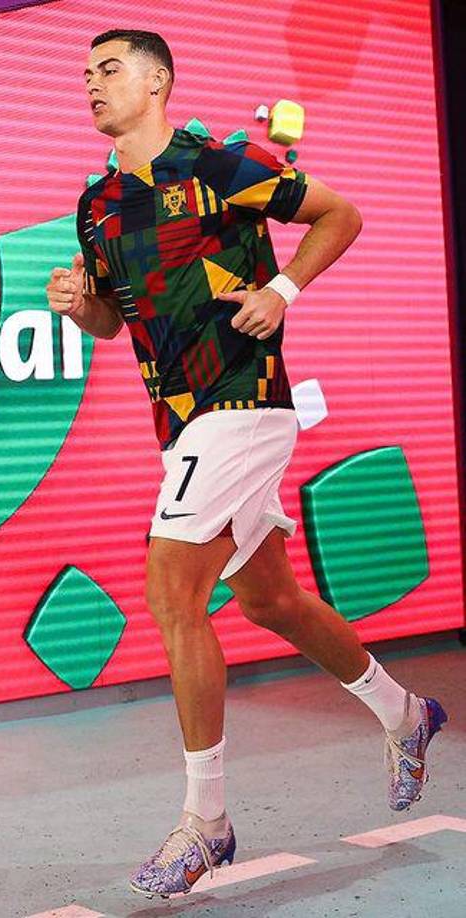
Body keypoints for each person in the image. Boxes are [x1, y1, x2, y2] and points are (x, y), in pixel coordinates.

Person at [44, 28, 448, 900]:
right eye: (84, 74)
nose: (91, 84)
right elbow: (116, 324)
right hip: (180, 421)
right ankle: (406, 714)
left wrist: (282, 289)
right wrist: (81, 306)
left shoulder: (221, 165)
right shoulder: (97, 206)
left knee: (170, 591)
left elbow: (340, 212)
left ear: (157, 81)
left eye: (108, 69)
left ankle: (207, 822)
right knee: (270, 598)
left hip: (245, 402)